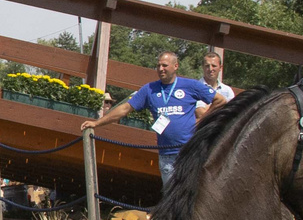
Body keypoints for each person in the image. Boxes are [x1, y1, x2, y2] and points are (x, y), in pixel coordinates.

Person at [82, 51, 215, 187]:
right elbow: (125, 109)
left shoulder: (190, 86)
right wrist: (97, 123)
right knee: (171, 199)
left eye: (164, 65)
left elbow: (220, 101)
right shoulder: (149, 89)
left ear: (176, 66)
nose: (160, 69)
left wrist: (203, 120)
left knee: (192, 195)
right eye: (158, 66)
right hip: (167, 156)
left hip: (189, 152)